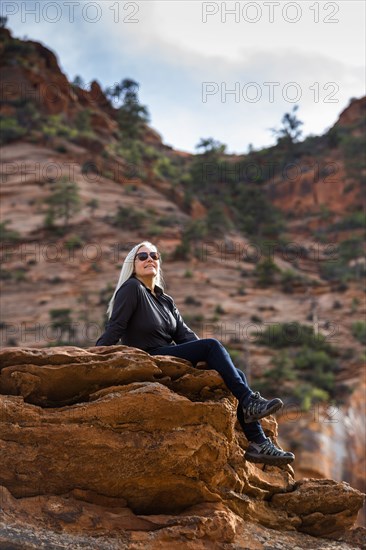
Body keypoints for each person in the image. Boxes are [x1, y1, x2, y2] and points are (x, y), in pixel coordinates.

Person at [96, 241, 295, 466]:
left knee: (234, 370)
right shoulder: (131, 289)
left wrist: (212, 359)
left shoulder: (165, 301)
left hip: (168, 355)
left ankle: (258, 443)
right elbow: (115, 328)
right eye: (142, 256)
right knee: (211, 346)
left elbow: (187, 338)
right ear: (132, 265)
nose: (149, 259)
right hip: (148, 356)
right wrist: (93, 357)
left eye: (154, 255)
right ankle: (250, 402)